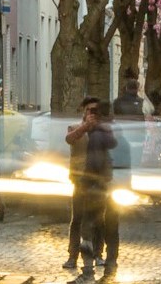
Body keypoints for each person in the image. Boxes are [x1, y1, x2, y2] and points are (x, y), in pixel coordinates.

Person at [65, 96, 121, 280]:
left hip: (98, 183)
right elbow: (70, 139)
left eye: (95, 110)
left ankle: (98, 254)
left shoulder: (103, 131)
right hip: (79, 180)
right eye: (88, 110)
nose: (91, 113)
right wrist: (85, 127)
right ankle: (73, 256)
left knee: (99, 221)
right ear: (83, 111)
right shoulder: (75, 127)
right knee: (78, 219)